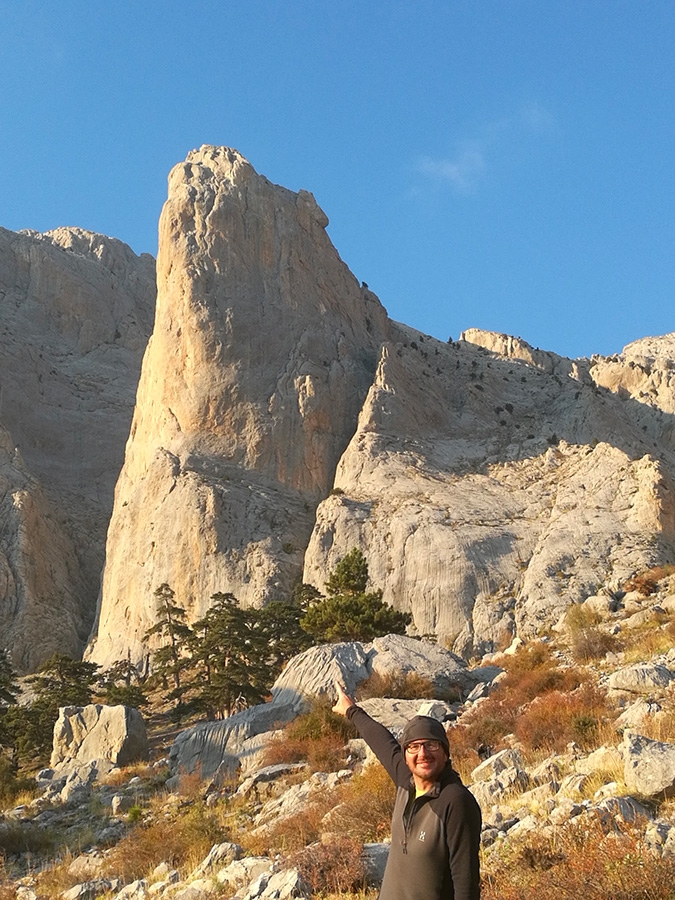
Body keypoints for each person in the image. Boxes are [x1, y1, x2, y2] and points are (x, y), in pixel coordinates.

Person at [332, 682, 481, 900]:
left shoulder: (455, 802)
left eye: (431, 745)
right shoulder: (407, 781)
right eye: (414, 746)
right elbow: (381, 741)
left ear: (445, 753)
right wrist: (351, 709)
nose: (422, 753)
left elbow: (466, 885)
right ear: (405, 754)